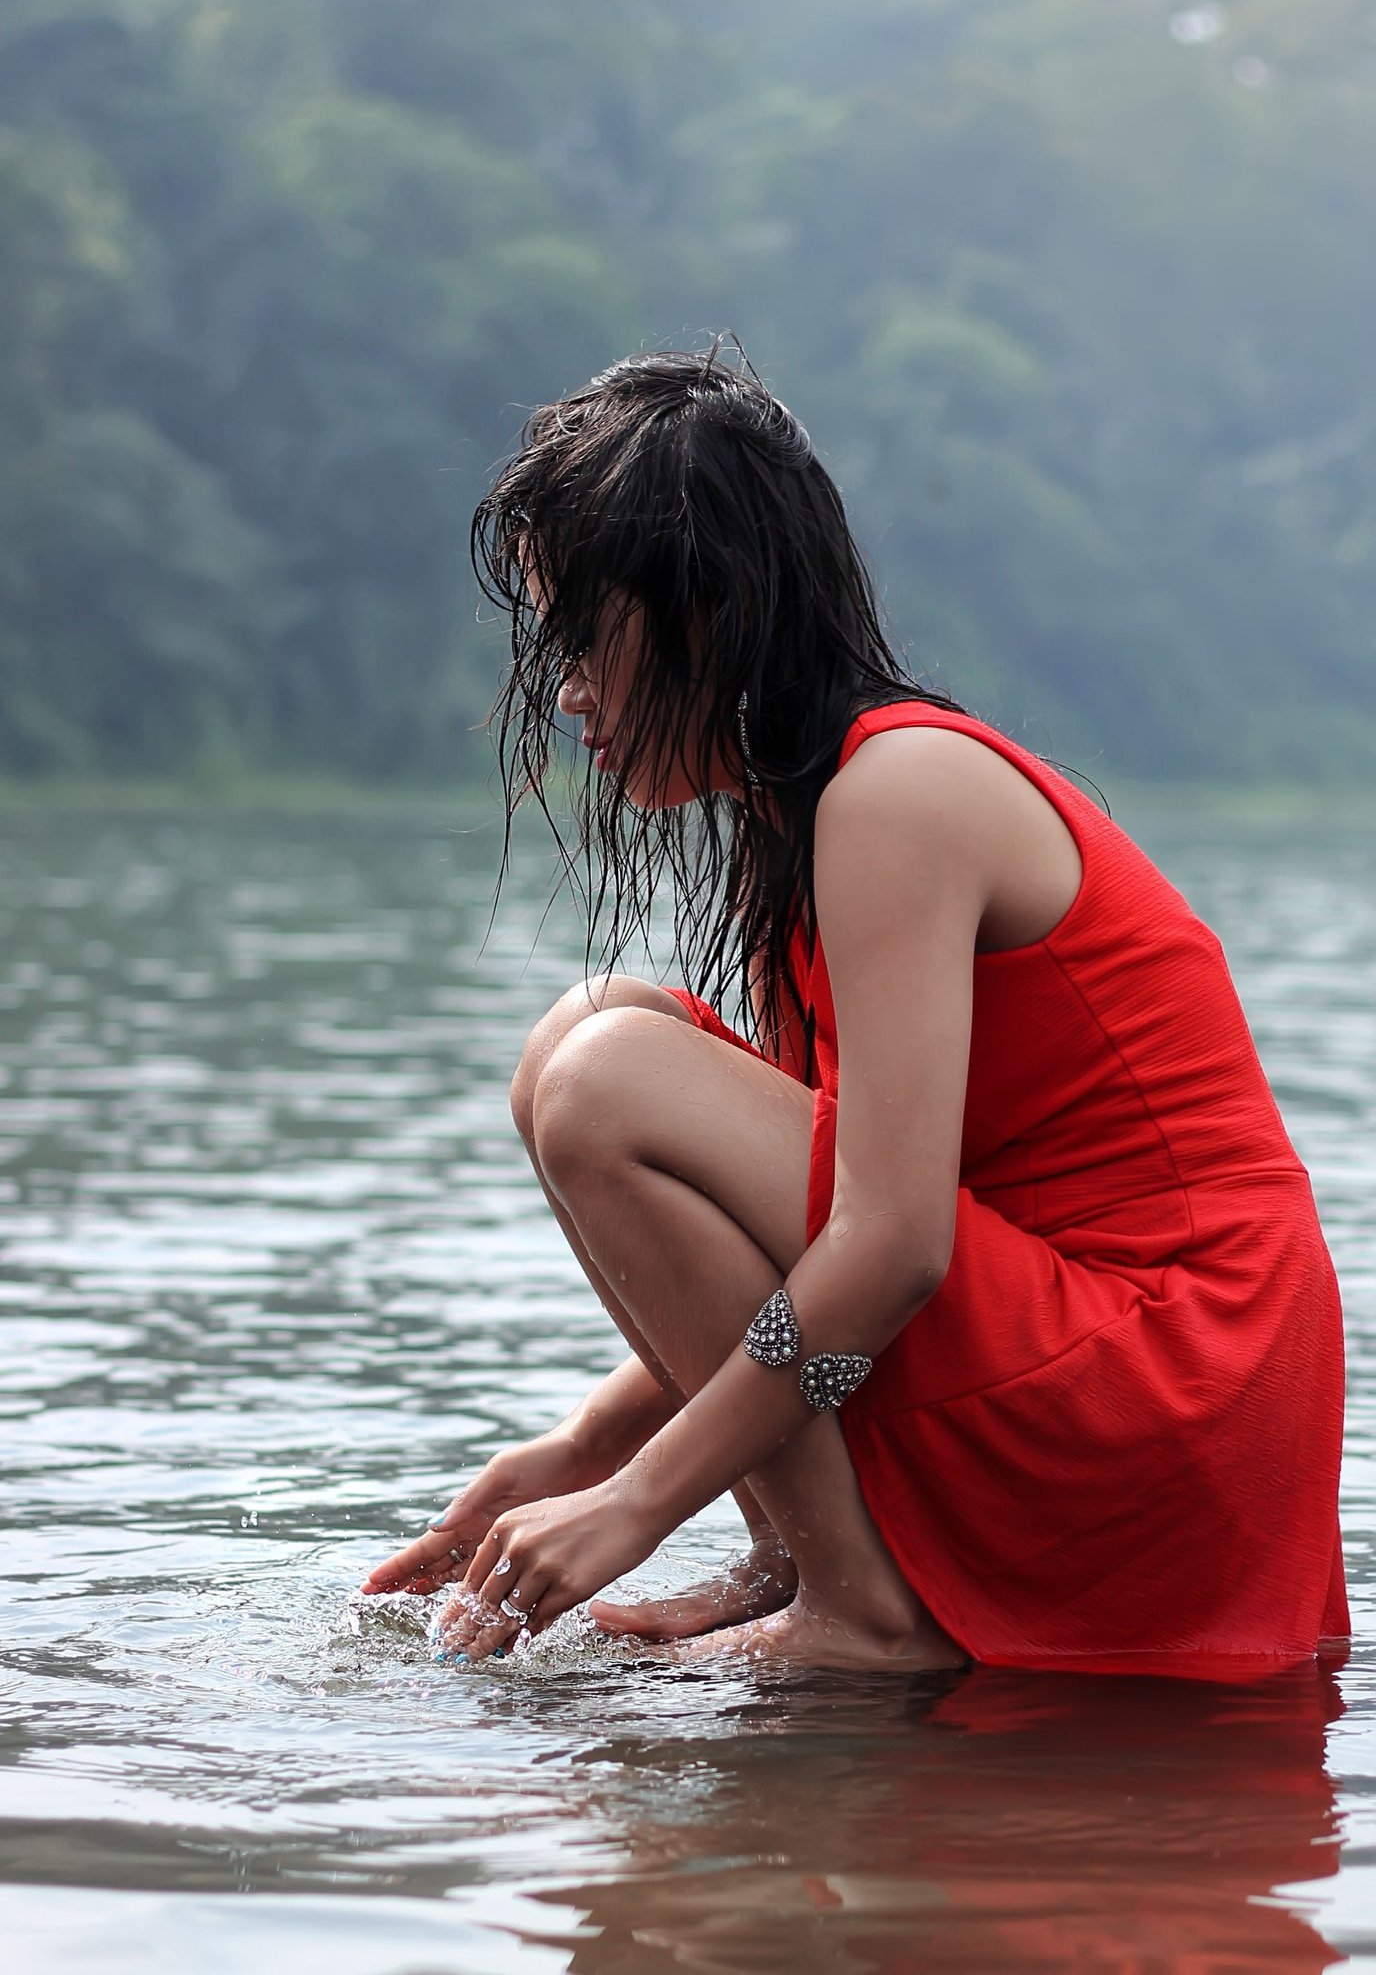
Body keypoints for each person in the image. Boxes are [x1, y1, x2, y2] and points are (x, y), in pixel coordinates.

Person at [361, 348, 1348, 1677]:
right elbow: (807, 1259)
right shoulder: (809, 819)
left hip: (1173, 1371)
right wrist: (584, 1451)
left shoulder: (898, 795)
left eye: (585, 636)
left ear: (704, 614)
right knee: (580, 1038)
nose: (567, 691)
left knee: (604, 1075)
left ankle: (859, 1609)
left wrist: (638, 1501)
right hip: (1107, 1354)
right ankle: (809, 1565)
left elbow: (889, 1252)